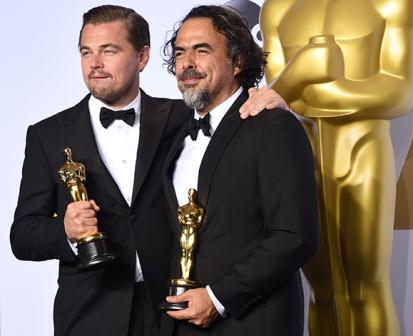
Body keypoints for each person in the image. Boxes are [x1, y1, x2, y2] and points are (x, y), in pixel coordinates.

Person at [10, 5, 286, 336]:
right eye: (86, 52)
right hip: (88, 315)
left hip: (169, 312)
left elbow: (230, 115)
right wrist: (66, 232)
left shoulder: (183, 118)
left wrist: (271, 102)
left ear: (142, 57)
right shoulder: (48, 135)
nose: (94, 64)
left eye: (108, 51)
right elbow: (22, 236)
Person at [259, 0, 413, 335]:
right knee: (321, 292)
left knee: (364, 289)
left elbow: (398, 92)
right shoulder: (277, 7)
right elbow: (275, 99)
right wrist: (304, 71)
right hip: (302, 157)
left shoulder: (393, 2)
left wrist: (306, 83)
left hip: (362, 150)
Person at [160, 5, 319, 335]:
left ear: (238, 61)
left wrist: (217, 298)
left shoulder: (273, 125)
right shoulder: (177, 136)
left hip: (251, 322)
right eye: (179, 53)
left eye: (201, 50)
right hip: (181, 322)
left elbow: (295, 237)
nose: (187, 63)